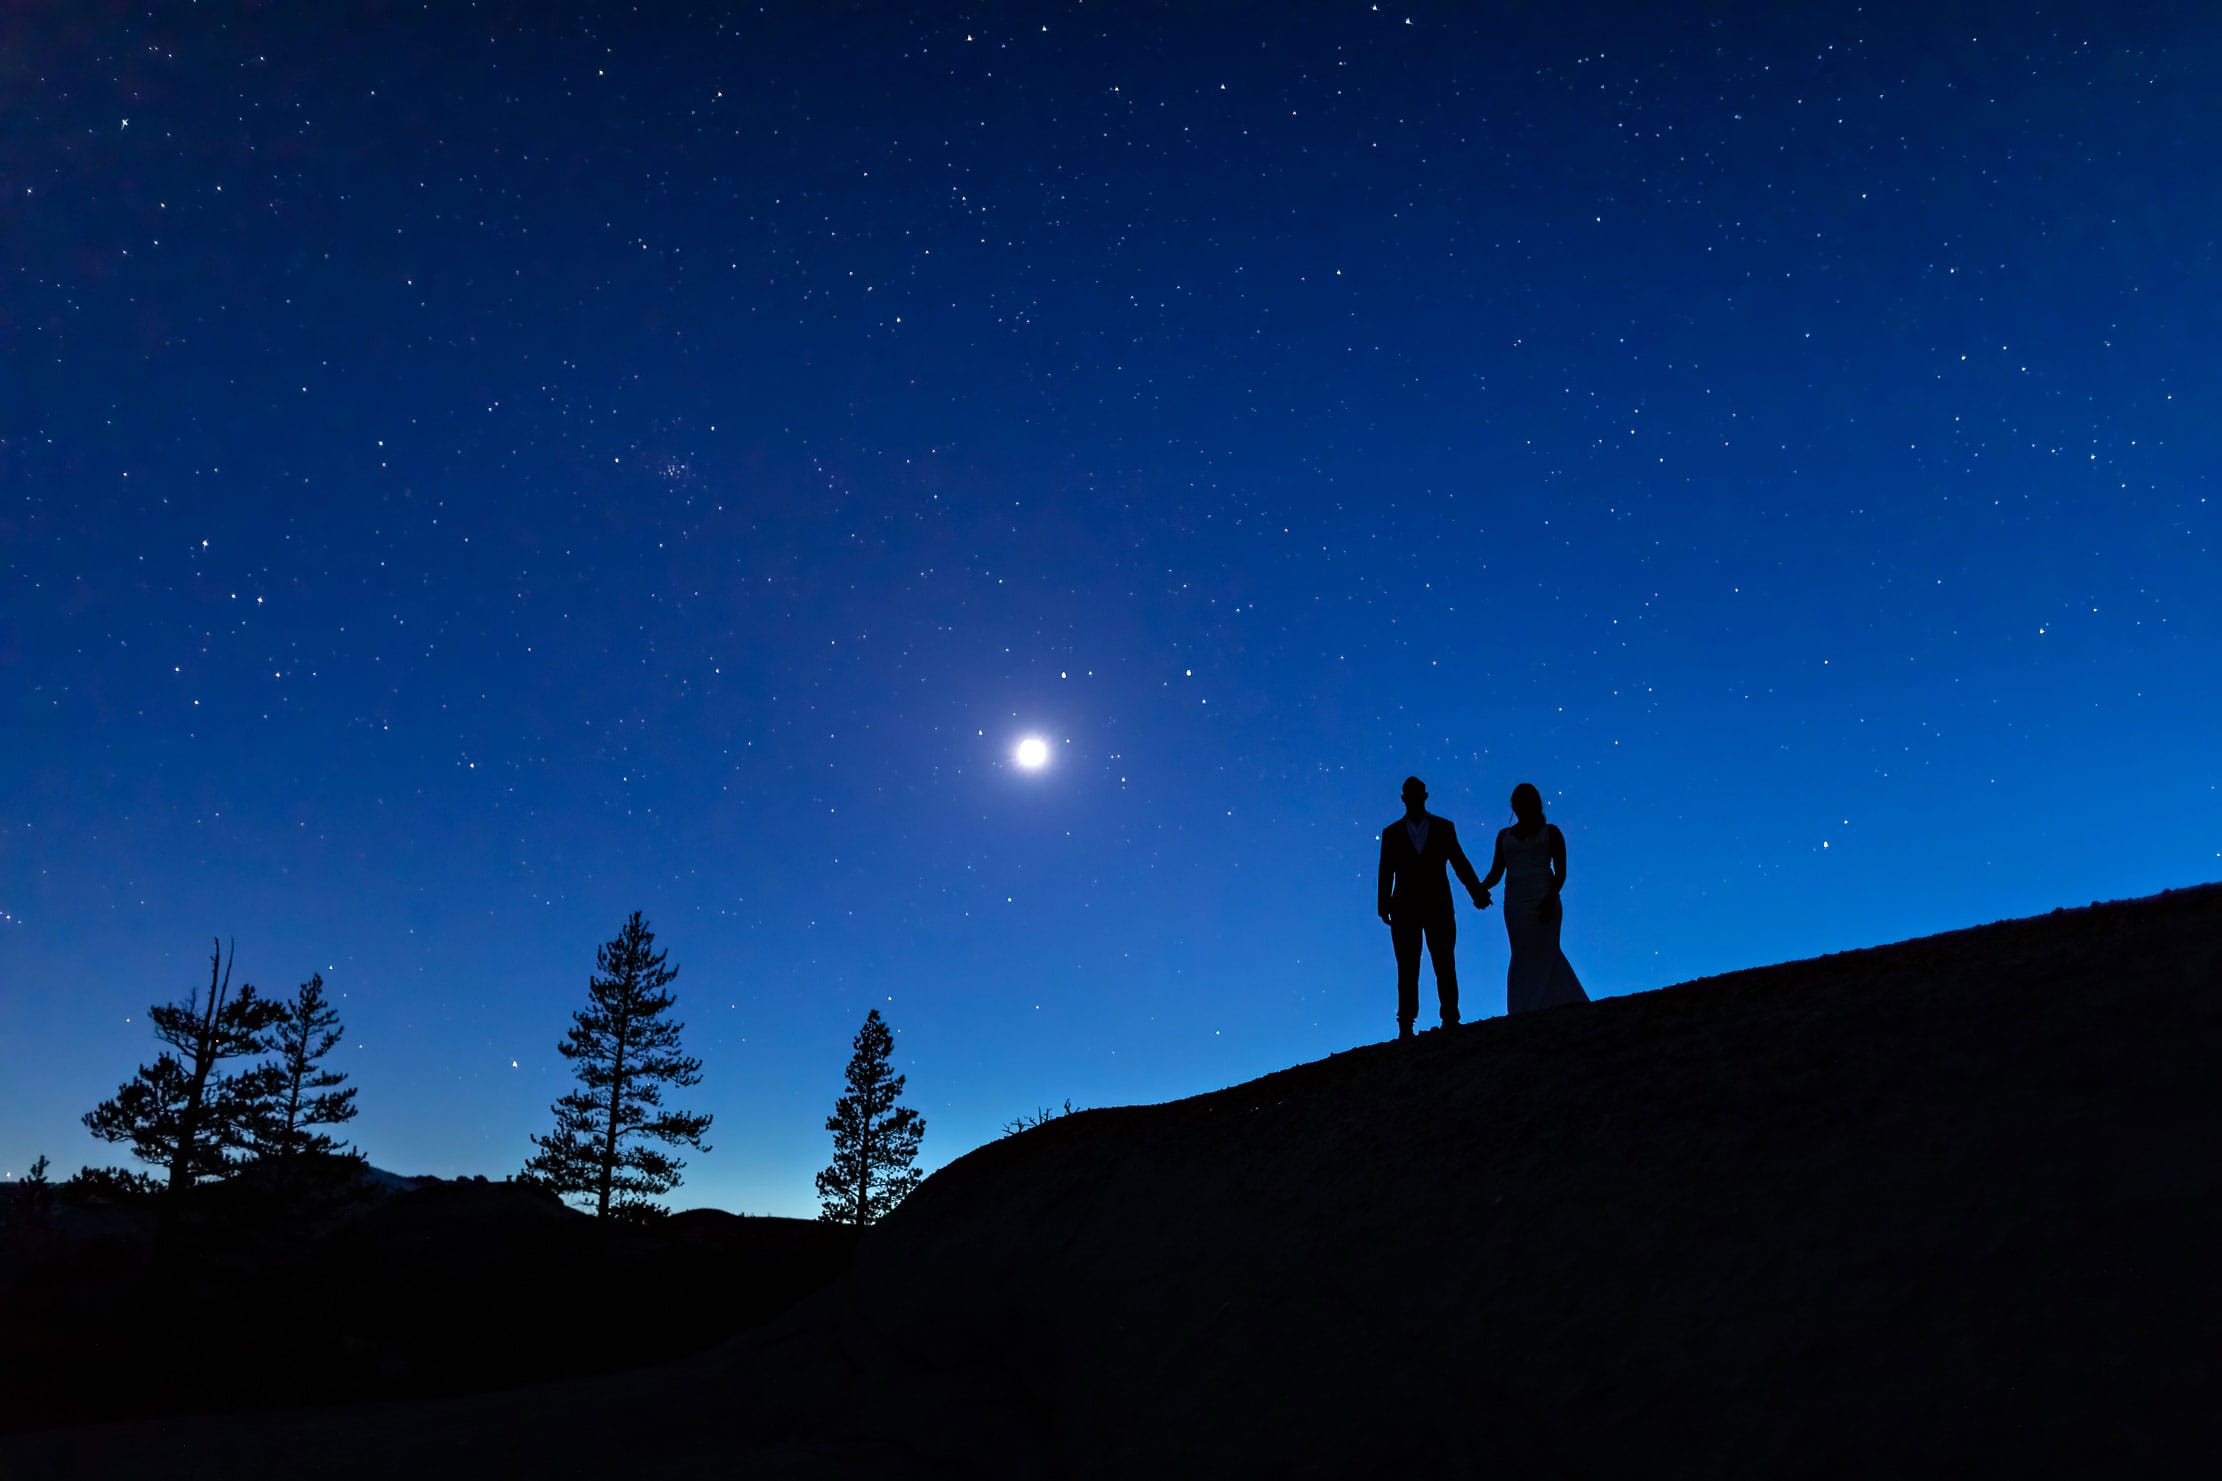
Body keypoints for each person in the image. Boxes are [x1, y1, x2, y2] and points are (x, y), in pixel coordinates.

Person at [1377, 776, 1490, 1040]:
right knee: (1407, 966)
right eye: (1411, 795)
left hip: (1437, 905)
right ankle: (1406, 1024)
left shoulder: (1443, 828)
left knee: (1443, 962)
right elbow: (1385, 871)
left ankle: (1450, 1017)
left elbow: (1460, 862)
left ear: (1423, 797)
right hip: (1405, 908)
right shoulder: (1392, 833)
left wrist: (1476, 891)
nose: (1414, 799)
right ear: (1405, 798)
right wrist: (1383, 905)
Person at [1478, 782, 1589, 1013]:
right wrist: (1479, 888)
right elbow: (1496, 872)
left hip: (1544, 899)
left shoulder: (1552, 833)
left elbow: (1561, 873)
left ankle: (1557, 1003)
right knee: (1522, 954)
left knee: (1547, 951)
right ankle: (1525, 1007)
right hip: (1516, 905)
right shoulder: (1504, 837)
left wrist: (1550, 898)